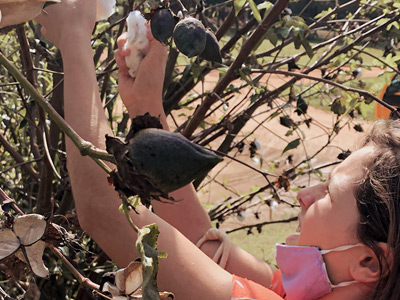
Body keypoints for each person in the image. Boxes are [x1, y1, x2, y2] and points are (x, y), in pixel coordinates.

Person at [35, 1, 399, 299]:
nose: (305, 194)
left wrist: (74, 37)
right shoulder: (291, 291)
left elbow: (104, 211)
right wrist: (146, 108)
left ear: (370, 262)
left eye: (329, 194)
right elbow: (199, 247)